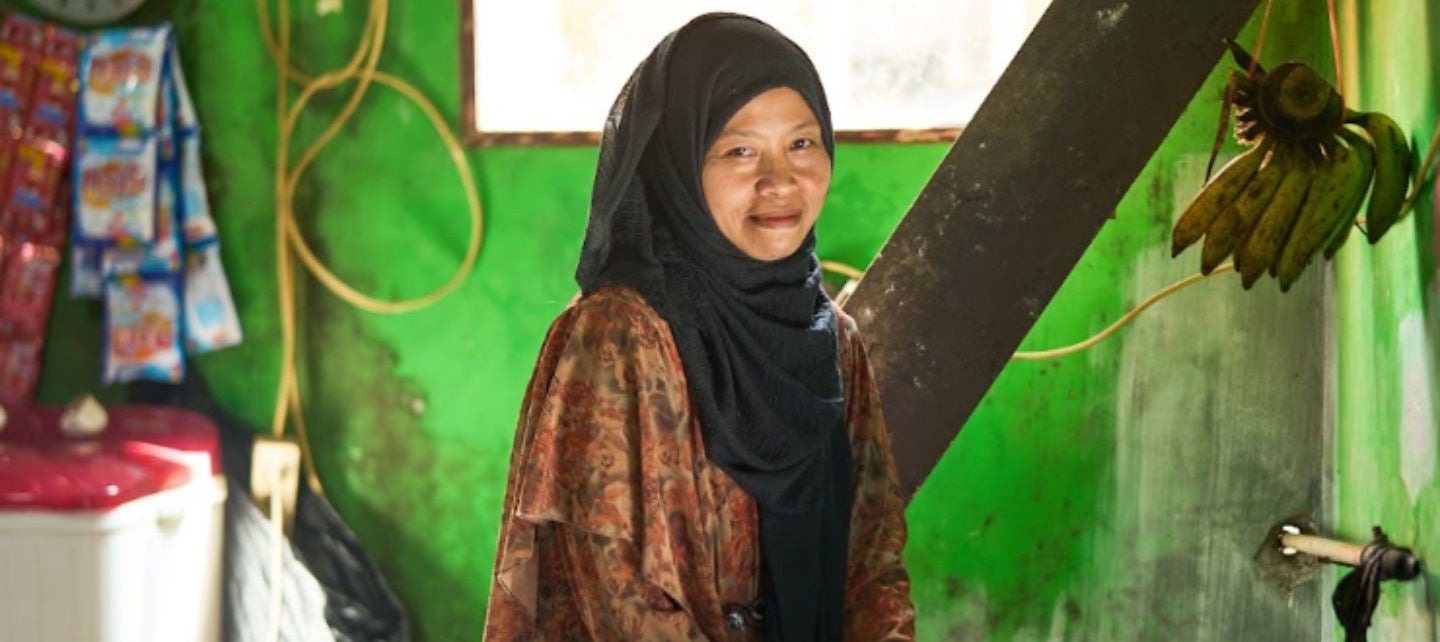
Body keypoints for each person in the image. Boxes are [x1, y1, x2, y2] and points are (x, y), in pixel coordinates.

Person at [483, 13, 914, 641]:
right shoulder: (620, 338)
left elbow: (872, 560)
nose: (781, 182)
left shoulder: (831, 340)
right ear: (678, 165)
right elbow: (622, 600)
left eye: (801, 143)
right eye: (740, 150)